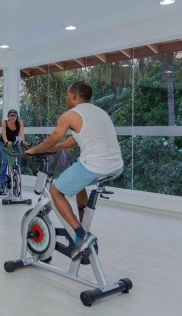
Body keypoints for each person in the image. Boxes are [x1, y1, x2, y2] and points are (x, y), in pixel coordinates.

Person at [26, 81, 123, 260]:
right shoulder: (100, 112)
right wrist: (55, 149)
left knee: (55, 191)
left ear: (73, 95)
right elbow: (73, 141)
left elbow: (53, 138)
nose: (66, 98)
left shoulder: (70, 115)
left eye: (66, 95)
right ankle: (83, 224)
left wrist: (32, 151)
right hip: (116, 166)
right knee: (80, 186)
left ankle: (80, 235)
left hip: (93, 165)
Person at [0, 109, 27, 193]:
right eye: (11, 115)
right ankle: (2, 184)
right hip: (4, 143)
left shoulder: (20, 123)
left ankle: (16, 183)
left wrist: (23, 141)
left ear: (17, 117)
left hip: (15, 143)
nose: (13, 117)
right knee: (5, 162)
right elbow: (3, 133)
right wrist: (6, 142)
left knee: (18, 162)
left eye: (15, 115)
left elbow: (21, 133)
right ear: (8, 117)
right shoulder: (4, 122)